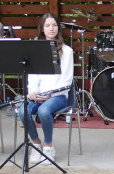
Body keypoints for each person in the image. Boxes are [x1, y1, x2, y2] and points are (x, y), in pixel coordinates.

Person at [21, 13, 74, 163]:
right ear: (42, 28)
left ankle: (49, 147)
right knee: (22, 111)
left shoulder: (67, 51)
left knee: (44, 111)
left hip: (58, 96)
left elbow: (67, 80)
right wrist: (32, 91)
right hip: (38, 94)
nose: (51, 28)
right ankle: (36, 143)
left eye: (54, 25)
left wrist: (49, 95)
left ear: (58, 28)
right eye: (48, 25)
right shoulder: (36, 48)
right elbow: (32, 74)